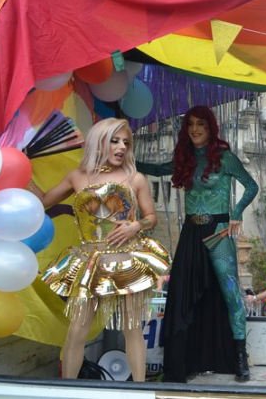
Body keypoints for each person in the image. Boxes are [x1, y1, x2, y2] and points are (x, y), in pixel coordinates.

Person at [36, 118, 171, 381]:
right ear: (100, 141)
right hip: (90, 264)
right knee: (76, 330)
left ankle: (140, 390)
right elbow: (42, 201)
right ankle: (68, 390)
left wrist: (135, 226)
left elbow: (151, 217)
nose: (121, 147)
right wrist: (19, 169)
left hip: (127, 263)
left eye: (125, 142)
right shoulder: (78, 177)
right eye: (114, 140)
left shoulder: (136, 178)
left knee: (132, 329)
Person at [139, 106, 259, 382]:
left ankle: (240, 358)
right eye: (191, 124)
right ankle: (185, 360)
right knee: (181, 296)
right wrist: (129, 163)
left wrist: (237, 212)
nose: (195, 129)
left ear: (210, 127)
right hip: (192, 232)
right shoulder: (186, 157)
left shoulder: (225, 158)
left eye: (200, 124)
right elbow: (157, 169)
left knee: (230, 293)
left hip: (218, 231)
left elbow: (251, 186)